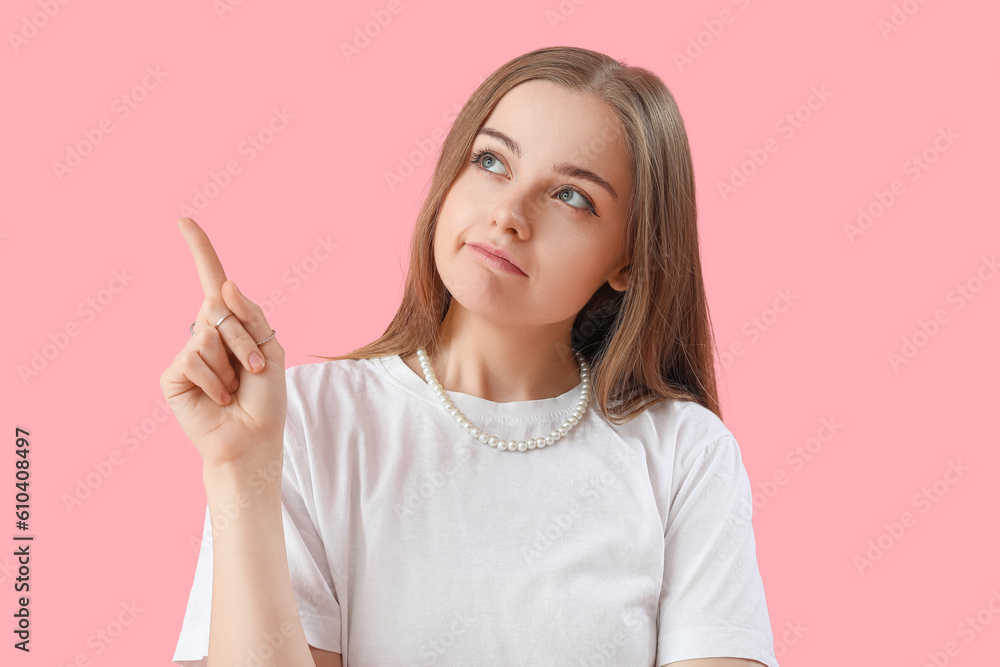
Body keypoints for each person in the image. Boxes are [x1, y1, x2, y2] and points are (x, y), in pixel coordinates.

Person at [163, 46, 779, 667]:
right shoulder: (305, 422)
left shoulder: (684, 455)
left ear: (628, 259)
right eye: (491, 161)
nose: (509, 214)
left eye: (571, 196)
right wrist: (240, 472)